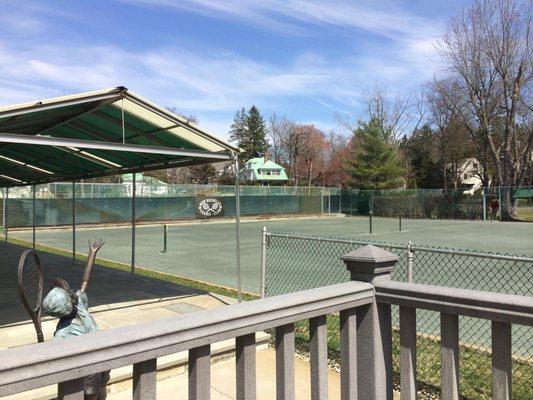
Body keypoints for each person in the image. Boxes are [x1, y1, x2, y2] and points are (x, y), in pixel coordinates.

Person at [42, 240, 108, 400]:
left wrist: (92, 253)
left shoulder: (78, 305)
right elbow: (58, 358)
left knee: (102, 392)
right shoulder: (64, 332)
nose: (73, 297)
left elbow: (84, 282)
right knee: (94, 395)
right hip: (89, 372)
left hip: (102, 362)